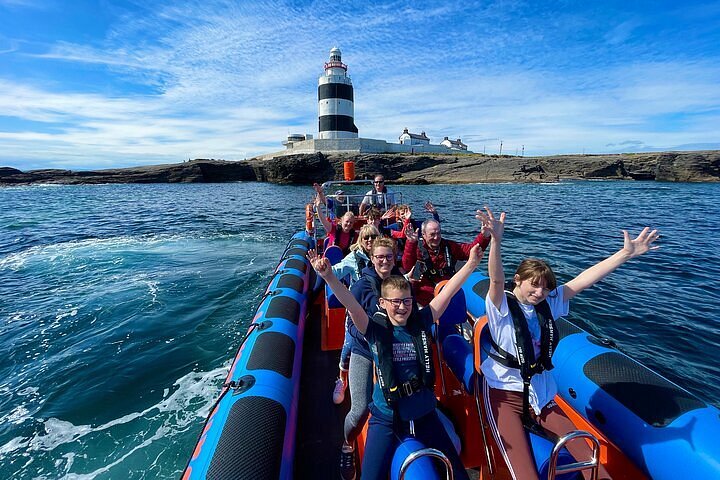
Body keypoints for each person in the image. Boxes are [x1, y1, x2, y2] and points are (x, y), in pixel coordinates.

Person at [477, 206, 659, 480]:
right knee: (524, 475)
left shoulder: (550, 303)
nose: (540, 292)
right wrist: (496, 242)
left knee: (592, 463)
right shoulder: (500, 304)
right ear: (518, 280)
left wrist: (625, 254)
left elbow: (584, 280)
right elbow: (495, 277)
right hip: (504, 395)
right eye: (534, 285)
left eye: (546, 287)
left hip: (541, 395)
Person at [309, 242, 483, 480]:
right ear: (382, 303)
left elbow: (449, 291)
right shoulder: (374, 329)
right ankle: (348, 445)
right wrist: (328, 276)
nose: (402, 307)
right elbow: (349, 301)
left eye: (407, 301)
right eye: (395, 302)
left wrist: (472, 263)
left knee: (458, 474)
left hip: (424, 412)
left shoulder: (421, 321)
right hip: (386, 416)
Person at [332, 237, 404, 480]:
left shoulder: (401, 282)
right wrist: (367, 335)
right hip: (364, 350)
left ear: (395, 258)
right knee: (360, 409)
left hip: (392, 351)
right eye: (379, 257)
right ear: (372, 259)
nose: (384, 261)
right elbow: (352, 322)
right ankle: (347, 444)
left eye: (389, 257)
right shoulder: (362, 286)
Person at [330, 224, 381, 405]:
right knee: (350, 343)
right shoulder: (353, 258)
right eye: (366, 237)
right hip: (356, 308)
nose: (369, 241)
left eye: (373, 237)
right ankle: (342, 378)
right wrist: (325, 269)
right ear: (361, 240)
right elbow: (336, 272)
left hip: (377, 309)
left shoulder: (381, 258)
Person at [402, 214, 490, 306]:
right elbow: (407, 266)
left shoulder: (448, 246)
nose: (436, 238)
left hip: (447, 293)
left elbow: (471, 250)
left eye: (438, 233)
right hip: (424, 298)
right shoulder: (416, 248)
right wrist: (411, 243)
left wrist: (484, 235)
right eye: (432, 234)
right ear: (423, 235)